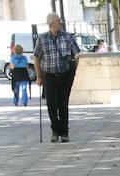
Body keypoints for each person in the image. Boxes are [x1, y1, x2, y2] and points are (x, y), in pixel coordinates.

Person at [33, 13, 80, 143]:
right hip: (49, 76)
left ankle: (64, 132)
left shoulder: (67, 37)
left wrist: (74, 70)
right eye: (58, 20)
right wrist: (38, 76)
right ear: (51, 23)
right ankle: (55, 131)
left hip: (65, 75)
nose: (60, 22)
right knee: (51, 105)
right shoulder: (42, 39)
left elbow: (77, 54)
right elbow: (36, 57)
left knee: (63, 104)